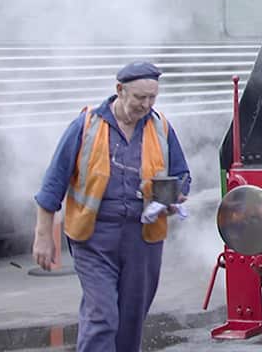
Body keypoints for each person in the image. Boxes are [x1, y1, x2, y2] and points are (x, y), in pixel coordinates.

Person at [33, 61, 191, 351]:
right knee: (102, 317)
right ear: (119, 90)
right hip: (94, 238)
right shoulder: (87, 125)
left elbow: (181, 174)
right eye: (139, 97)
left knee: (131, 319)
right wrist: (43, 236)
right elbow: (53, 183)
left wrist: (175, 197)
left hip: (143, 239)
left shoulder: (160, 127)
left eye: (152, 97)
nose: (146, 105)